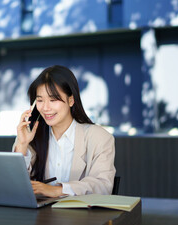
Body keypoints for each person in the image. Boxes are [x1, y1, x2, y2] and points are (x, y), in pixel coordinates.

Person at [13, 65, 115, 197]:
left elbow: (103, 185)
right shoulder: (29, 135)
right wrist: (22, 145)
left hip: (83, 216)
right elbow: (15, 186)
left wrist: (57, 190)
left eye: (53, 100)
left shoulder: (99, 137)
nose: (45, 108)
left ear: (71, 100)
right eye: (40, 100)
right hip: (40, 215)